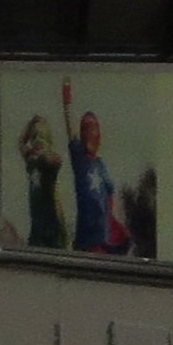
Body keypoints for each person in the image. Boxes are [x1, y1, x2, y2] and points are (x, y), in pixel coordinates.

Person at [61, 81, 126, 254]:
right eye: (86, 129)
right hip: (88, 237)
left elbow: (108, 198)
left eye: (93, 129)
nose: (90, 134)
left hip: (105, 237)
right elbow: (71, 130)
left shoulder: (100, 164)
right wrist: (66, 99)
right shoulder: (79, 159)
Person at [17, 114, 67, 249]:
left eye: (42, 137)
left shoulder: (51, 160)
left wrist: (42, 153)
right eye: (35, 137)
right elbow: (21, 143)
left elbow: (54, 161)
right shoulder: (31, 162)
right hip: (37, 228)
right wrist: (30, 124)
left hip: (52, 227)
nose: (38, 141)